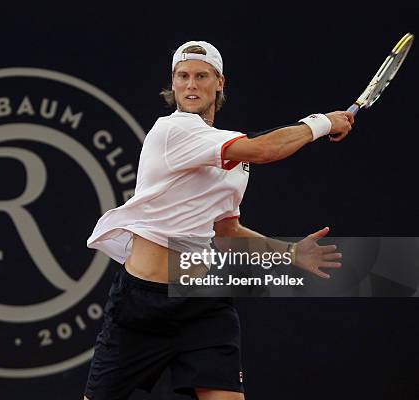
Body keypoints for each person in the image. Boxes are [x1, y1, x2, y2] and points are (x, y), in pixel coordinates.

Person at [83, 40, 354, 400]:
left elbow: (227, 233)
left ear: (220, 82)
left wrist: (289, 253)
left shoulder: (234, 163)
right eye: (183, 76)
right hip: (142, 304)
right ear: (173, 84)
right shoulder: (172, 130)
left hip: (203, 305)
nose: (191, 84)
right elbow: (264, 149)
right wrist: (322, 122)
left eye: (201, 76)